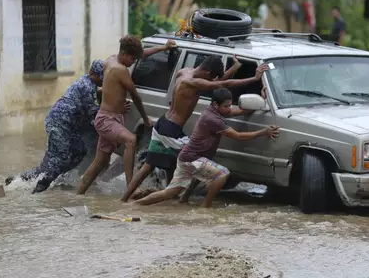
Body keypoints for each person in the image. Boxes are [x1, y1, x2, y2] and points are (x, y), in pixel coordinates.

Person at [120, 55, 269, 202]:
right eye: (211, 78)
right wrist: (254, 78)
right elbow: (223, 84)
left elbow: (216, 82)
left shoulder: (184, 72)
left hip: (163, 123)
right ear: (207, 73)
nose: (211, 81)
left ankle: (124, 199)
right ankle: (181, 197)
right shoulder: (193, 82)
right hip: (171, 130)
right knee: (199, 158)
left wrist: (235, 67)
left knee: (148, 166)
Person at [131, 88, 280, 208]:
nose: (229, 109)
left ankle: (172, 201)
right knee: (222, 174)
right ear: (216, 105)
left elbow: (241, 111)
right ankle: (205, 207)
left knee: (171, 192)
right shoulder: (213, 119)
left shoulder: (213, 112)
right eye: (226, 106)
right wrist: (264, 132)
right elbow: (237, 136)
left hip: (190, 158)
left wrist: (262, 101)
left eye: (230, 105)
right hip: (191, 159)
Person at [77, 36, 175, 195]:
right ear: (125, 54)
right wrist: (145, 119)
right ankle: (131, 188)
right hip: (107, 119)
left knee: (98, 163)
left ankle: (79, 195)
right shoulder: (120, 70)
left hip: (109, 117)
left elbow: (142, 55)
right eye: (133, 59)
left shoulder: (110, 60)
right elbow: (135, 96)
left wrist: (163, 48)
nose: (133, 62)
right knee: (131, 140)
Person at [5, 60, 106, 193]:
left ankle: (19, 180)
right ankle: (39, 189)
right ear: (94, 74)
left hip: (67, 125)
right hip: (59, 123)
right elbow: (94, 114)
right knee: (61, 158)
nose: (103, 82)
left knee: (78, 152)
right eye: (102, 78)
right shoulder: (87, 86)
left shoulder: (89, 84)